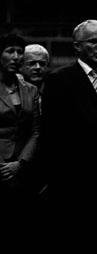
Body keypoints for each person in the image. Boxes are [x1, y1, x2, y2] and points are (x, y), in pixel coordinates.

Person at [41, 19, 97, 253]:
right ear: (77, 46)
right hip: (73, 188)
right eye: (93, 41)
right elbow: (51, 136)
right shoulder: (59, 79)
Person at [0, 34, 40, 251]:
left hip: (21, 170)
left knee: (21, 232)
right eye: (9, 51)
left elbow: (36, 131)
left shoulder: (30, 89)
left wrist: (20, 163)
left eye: (19, 51)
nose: (16, 56)